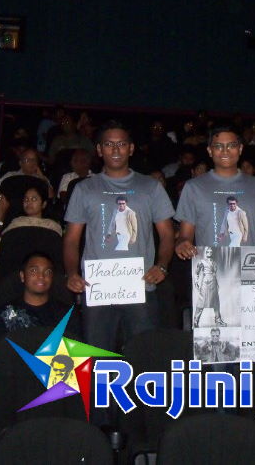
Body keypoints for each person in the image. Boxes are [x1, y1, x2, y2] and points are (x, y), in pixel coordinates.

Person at [64, 120, 175, 355]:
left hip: (141, 286)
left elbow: (167, 234)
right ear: (99, 149)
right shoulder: (84, 188)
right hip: (97, 289)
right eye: (109, 144)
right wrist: (72, 272)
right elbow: (71, 239)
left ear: (131, 148)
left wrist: (162, 266)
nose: (115, 149)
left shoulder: (151, 187)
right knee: (97, 358)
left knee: (143, 357)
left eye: (121, 144)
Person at [174, 125, 255, 257]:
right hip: (211, 265)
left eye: (231, 145)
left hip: (249, 266)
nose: (225, 151)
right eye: (218, 146)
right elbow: (185, 235)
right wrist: (182, 243)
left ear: (240, 149)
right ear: (210, 151)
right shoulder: (193, 187)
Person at [0, 252, 78, 351]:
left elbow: (77, 351)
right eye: (34, 271)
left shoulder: (67, 314)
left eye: (47, 272)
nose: (41, 276)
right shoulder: (4, 313)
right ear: (22, 276)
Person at [193, 247, 224, 327]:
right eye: (208, 251)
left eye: (211, 252)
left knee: (216, 301)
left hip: (213, 282)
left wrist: (217, 283)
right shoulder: (202, 262)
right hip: (206, 282)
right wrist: (196, 281)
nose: (209, 253)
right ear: (206, 252)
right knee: (201, 301)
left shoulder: (214, 262)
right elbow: (196, 272)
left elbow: (214, 273)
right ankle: (195, 321)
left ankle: (218, 320)